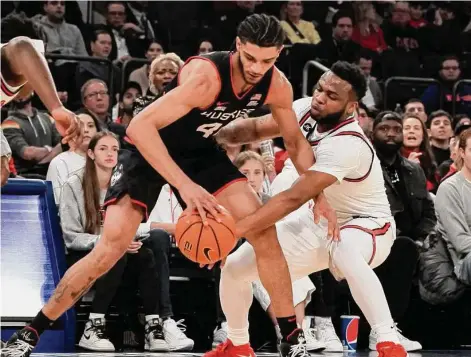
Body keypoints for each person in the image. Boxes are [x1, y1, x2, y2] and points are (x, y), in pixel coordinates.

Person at [3, 14, 335, 357]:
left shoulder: (278, 85)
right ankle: (31, 332)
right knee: (111, 247)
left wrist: (319, 195)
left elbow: (294, 142)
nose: (256, 67)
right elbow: (139, 128)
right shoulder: (206, 77)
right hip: (148, 149)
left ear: (279, 54)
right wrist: (186, 186)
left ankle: (293, 339)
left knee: (264, 232)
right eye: (250, 58)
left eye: (266, 60)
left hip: (198, 152)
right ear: (237, 46)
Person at [212, 61, 407, 357]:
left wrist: (232, 232)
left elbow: (293, 197)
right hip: (317, 221)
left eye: (331, 95)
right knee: (236, 267)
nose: (320, 97)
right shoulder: (305, 109)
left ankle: (387, 340)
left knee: (344, 249)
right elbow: (253, 128)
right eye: (319, 88)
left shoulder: (348, 144)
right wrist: (212, 134)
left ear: (351, 106)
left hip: (367, 224)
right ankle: (237, 344)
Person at [0, 12, 81, 188]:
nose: (42, 70)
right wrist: (57, 107)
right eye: (40, 59)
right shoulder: (9, 62)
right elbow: (22, 46)